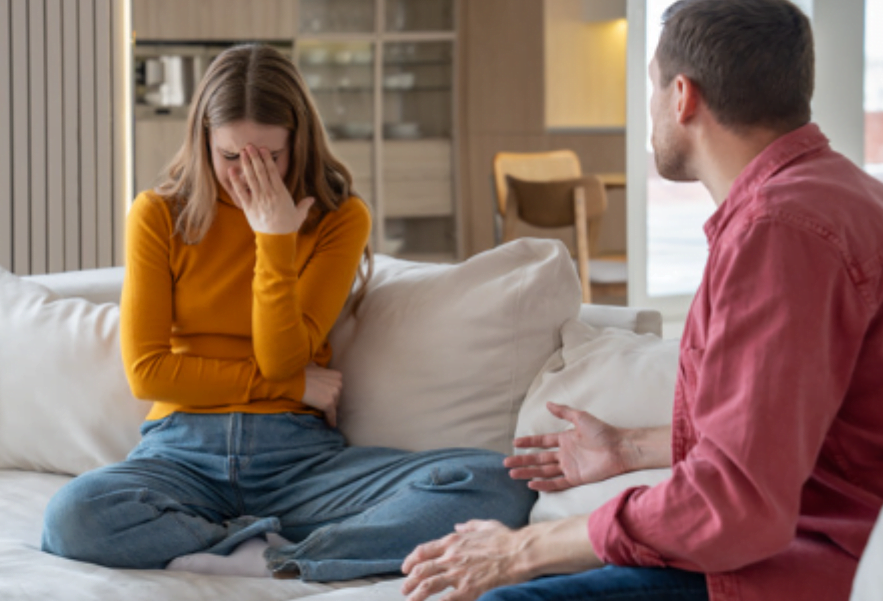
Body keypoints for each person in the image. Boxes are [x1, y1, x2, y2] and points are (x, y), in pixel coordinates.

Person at [401, 0, 883, 601]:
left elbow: (735, 507)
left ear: (682, 95)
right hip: (837, 542)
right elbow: (795, 423)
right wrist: (628, 447)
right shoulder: (855, 196)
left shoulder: (779, 232)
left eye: (652, 87)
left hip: (810, 565)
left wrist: (520, 549)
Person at [39, 44, 535, 582]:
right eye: (231, 156)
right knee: (74, 517)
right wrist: (296, 386)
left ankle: (278, 558)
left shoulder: (339, 217)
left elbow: (282, 357)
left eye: (268, 156)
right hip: (183, 450)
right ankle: (256, 547)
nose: (248, 174)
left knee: (496, 481)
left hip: (298, 458)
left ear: (298, 143)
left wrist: (274, 236)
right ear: (203, 140)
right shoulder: (159, 214)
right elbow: (148, 373)